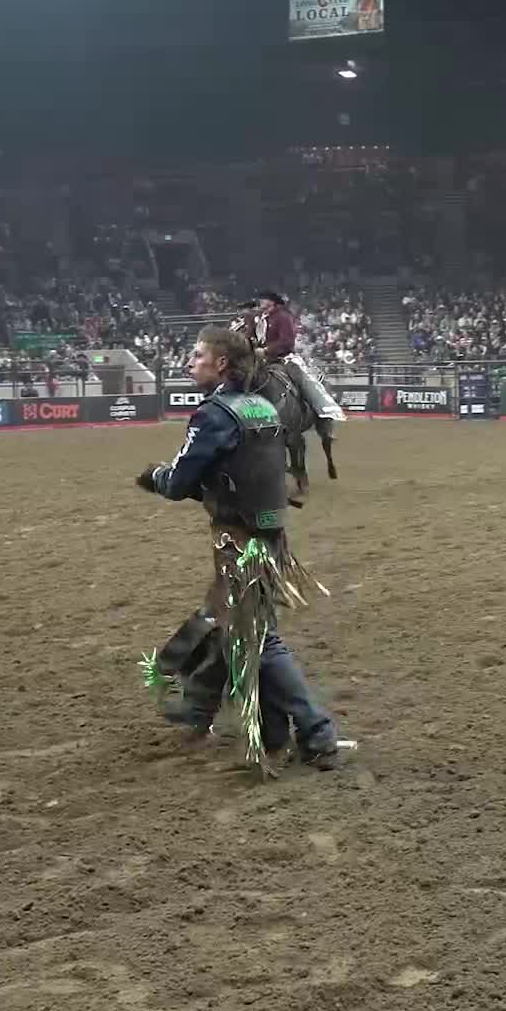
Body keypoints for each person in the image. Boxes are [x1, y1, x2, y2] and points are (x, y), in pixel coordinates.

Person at [134, 326, 342, 773]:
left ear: (221, 364)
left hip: (237, 541)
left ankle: (317, 732)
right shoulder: (262, 406)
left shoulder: (213, 415)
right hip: (268, 535)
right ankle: (212, 714)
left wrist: (154, 476)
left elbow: (180, 482)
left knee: (257, 638)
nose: (190, 362)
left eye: (197, 356)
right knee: (233, 627)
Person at [249, 290, 346, 428]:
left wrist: (265, 350)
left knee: (303, 379)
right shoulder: (260, 318)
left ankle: (324, 411)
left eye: (263, 299)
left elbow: (287, 342)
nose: (260, 301)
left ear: (272, 301)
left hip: (283, 358)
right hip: (263, 360)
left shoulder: (283, 317)